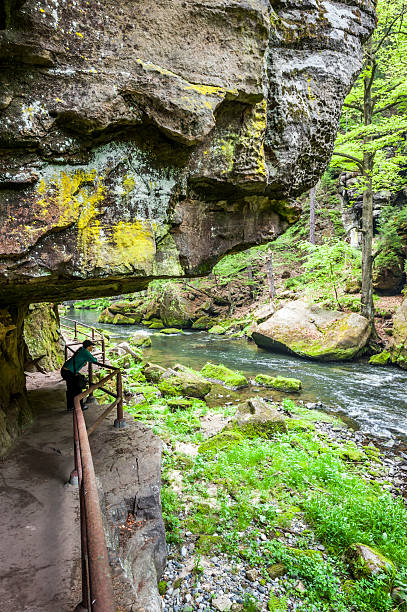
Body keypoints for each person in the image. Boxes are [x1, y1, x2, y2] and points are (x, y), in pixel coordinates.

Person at [61, 340, 98, 412]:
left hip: (66, 370)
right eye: (91, 346)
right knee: (77, 389)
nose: (92, 348)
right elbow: (94, 360)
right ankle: (79, 406)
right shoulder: (85, 352)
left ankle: (71, 406)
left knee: (71, 389)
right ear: (88, 347)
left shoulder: (81, 350)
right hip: (69, 372)